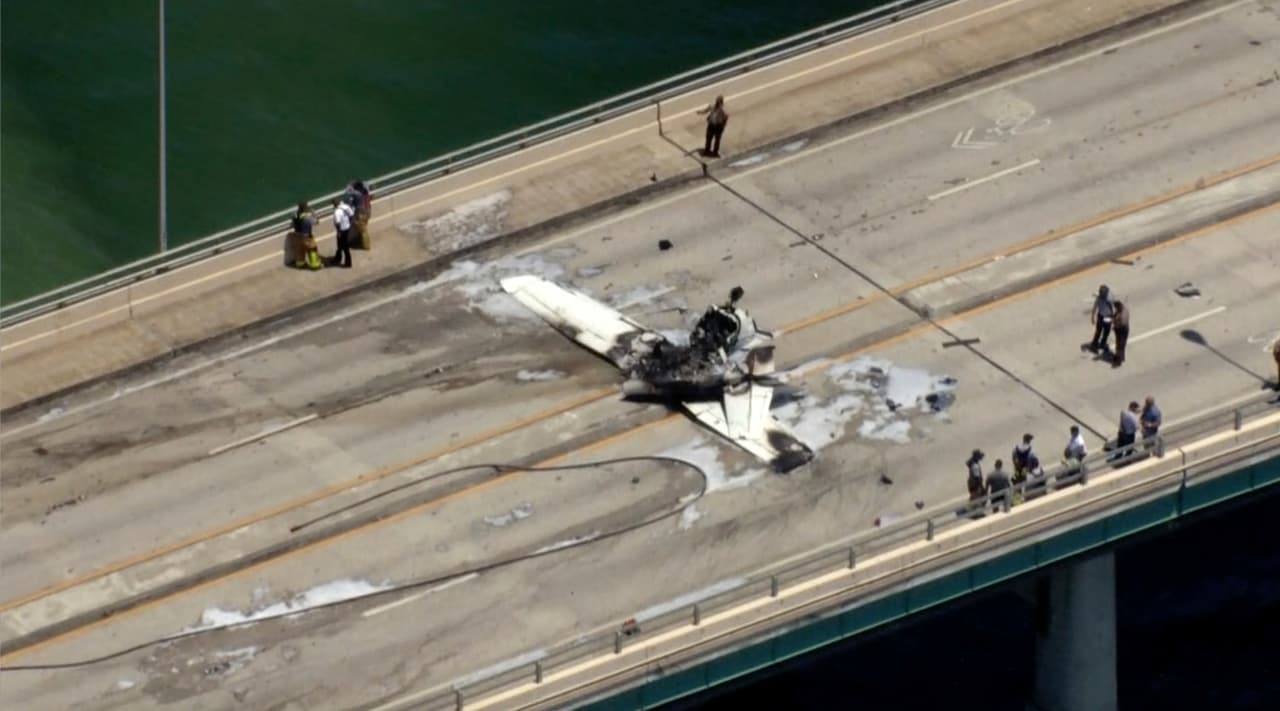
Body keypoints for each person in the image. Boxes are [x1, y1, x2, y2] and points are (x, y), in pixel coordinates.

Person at [290, 202, 322, 270]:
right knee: (312, 250)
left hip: (297, 236)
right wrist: (313, 213)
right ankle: (315, 265)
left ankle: (300, 264)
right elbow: (317, 222)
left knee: (300, 251)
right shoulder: (307, 217)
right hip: (307, 237)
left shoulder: (294, 215)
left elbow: (292, 225)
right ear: (305, 208)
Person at [1089, 284, 1115, 353]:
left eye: (1104, 293)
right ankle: (1094, 345)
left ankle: (1103, 343)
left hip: (1108, 316)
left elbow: (1113, 306)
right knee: (1098, 331)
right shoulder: (1098, 298)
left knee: (1107, 331)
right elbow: (1094, 307)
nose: (1102, 295)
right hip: (1101, 316)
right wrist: (1092, 317)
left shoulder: (1109, 298)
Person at [330, 197, 355, 268]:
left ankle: (348, 263)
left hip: (342, 231)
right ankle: (337, 257)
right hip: (348, 228)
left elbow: (338, 223)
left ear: (334, 204)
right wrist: (349, 223)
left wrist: (338, 232)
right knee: (340, 245)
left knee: (344, 247)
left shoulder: (337, 212)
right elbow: (351, 215)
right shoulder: (346, 206)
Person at [1011, 433, 1034, 503]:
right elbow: (1030, 459)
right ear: (1028, 440)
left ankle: (1017, 500)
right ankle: (1025, 499)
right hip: (1025, 469)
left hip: (1017, 468)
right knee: (1025, 483)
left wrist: (1015, 465)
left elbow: (1013, 457)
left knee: (1017, 483)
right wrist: (1029, 468)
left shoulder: (1017, 447)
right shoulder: (1029, 448)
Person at [1112, 301, 1130, 367]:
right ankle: (1121, 357)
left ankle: (1118, 361)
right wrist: (1115, 316)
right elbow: (1117, 314)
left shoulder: (1123, 315)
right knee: (1118, 344)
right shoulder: (1121, 309)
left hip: (1122, 330)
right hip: (1119, 329)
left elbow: (1122, 324)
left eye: (1116, 308)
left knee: (1120, 345)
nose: (1115, 309)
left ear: (1119, 307)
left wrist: (1115, 325)